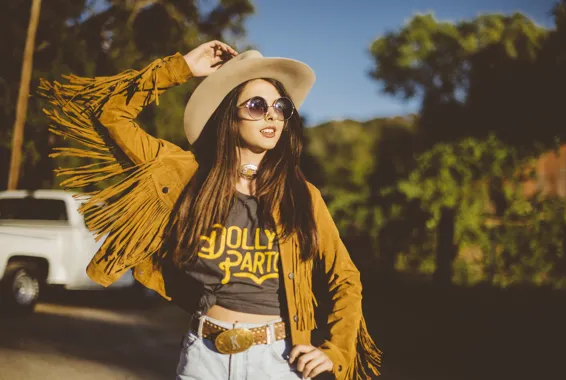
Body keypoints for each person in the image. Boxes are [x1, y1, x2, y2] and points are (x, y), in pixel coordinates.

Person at [39, 40, 381, 380]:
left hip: (278, 360)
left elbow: (345, 277)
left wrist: (335, 350)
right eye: (257, 105)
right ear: (229, 115)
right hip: (204, 358)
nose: (272, 115)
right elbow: (110, 113)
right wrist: (182, 68)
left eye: (281, 107)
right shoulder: (185, 175)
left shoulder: (302, 196)